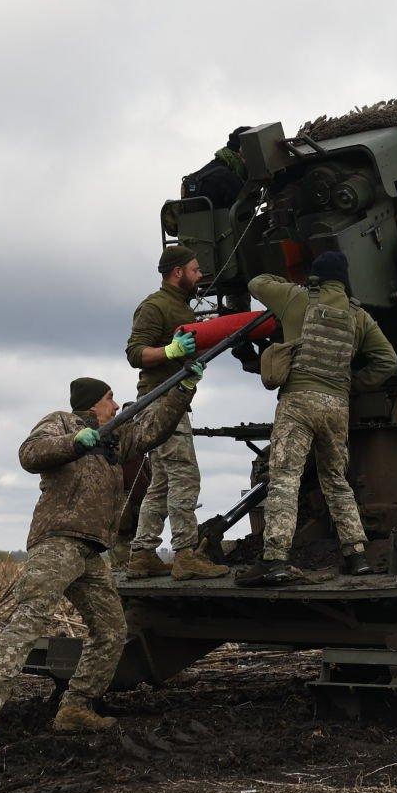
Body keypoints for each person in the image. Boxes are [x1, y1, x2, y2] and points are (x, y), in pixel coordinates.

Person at [0, 371, 198, 754]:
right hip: (58, 543)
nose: (116, 406)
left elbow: (155, 429)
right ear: (91, 403)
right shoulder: (61, 421)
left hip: (91, 550)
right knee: (30, 620)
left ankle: (76, 707)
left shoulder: (116, 437)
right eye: (110, 398)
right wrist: (74, 442)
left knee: (113, 629)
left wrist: (184, 386)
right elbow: (29, 454)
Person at [240, 251, 397, 586]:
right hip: (337, 405)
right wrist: (353, 384)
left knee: (284, 478)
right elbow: (387, 360)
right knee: (336, 481)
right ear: (344, 279)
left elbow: (256, 283)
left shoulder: (296, 297)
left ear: (316, 277)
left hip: (298, 401)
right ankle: (357, 556)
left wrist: (291, 283)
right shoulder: (359, 316)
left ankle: (274, 560)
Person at [122, 247, 227, 581]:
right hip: (160, 403)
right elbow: (135, 352)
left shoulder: (181, 307)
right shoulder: (154, 306)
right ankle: (185, 555)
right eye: (195, 270)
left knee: (163, 484)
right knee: (185, 476)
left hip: (173, 400)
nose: (200, 276)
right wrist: (169, 351)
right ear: (177, 272)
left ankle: (142, 554)